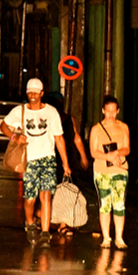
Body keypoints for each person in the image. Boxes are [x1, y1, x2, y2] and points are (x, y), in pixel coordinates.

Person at [0, 78, 72, 246]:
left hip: (48, 158)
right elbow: (4, 125)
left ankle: (45, 233)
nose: (32, 95)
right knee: (30, 198)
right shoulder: (20, 111)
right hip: (29, 159)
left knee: (46, 195)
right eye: (30, 92)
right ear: (27, 93)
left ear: (42, 93)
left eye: (36, 92)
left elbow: (59, 139)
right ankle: (30, 223)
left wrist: (65, 163)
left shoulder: (51, 112)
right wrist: (14, 137)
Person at [42, 92, 90, 235]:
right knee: (63, 191)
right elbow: (77, 139)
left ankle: (60, 222)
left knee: (61, 191)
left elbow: (76, 139)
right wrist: (83, 157)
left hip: (62, 158)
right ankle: (56, 221)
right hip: (62, 158)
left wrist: (83, 157)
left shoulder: (56, 118)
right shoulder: (65, 118)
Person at [89, 95, 130, 249]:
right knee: (105, 204)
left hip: (120, 169)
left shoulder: (123, 127)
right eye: (108, 111)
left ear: (118, 111)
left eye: (114, 111)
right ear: (103, 111)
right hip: (102, 171)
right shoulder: (96, 129)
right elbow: (93, 152)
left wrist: (117, 153)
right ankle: (107, 237)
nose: (111, 115)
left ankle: (119, 237)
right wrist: (108, 156)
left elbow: (127, 148)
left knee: (119, 203)